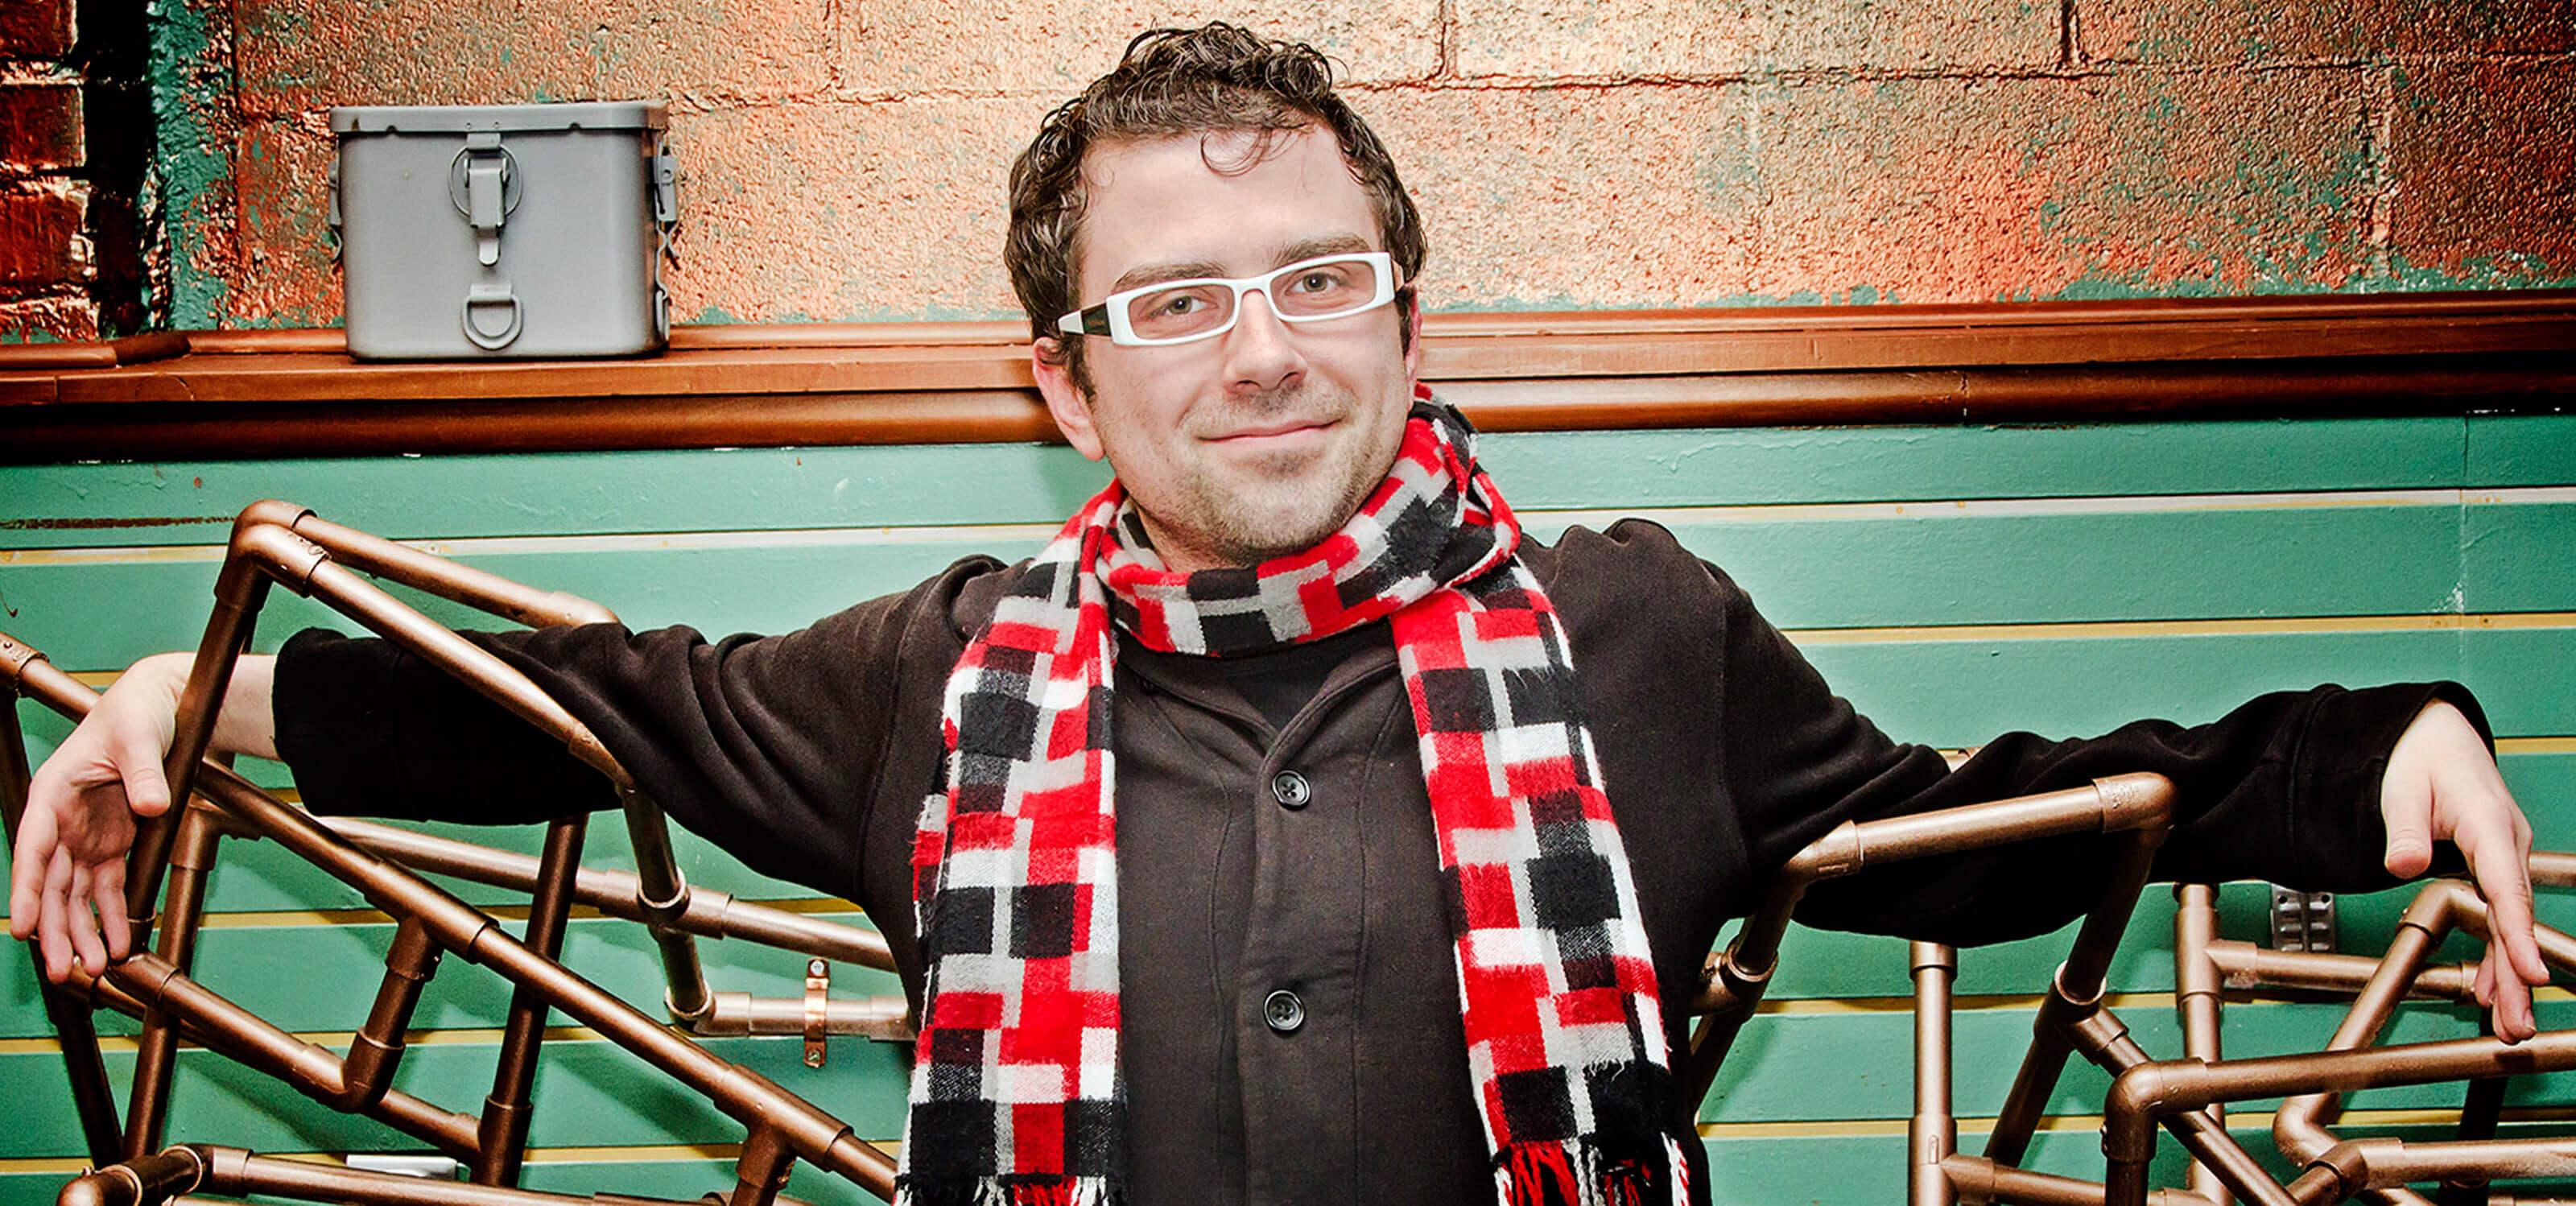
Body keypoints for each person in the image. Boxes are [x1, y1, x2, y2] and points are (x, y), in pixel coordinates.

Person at [7, 23, 2545, 1206]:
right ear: (1065, 381)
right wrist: (181, 690)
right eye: (1178, 299)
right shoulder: (934, 673)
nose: (1267, 341)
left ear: (1410, 324)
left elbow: (1950, 833)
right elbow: (598, 712)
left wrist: (2363, 748)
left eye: (1319, 274)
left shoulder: (1638, 630)